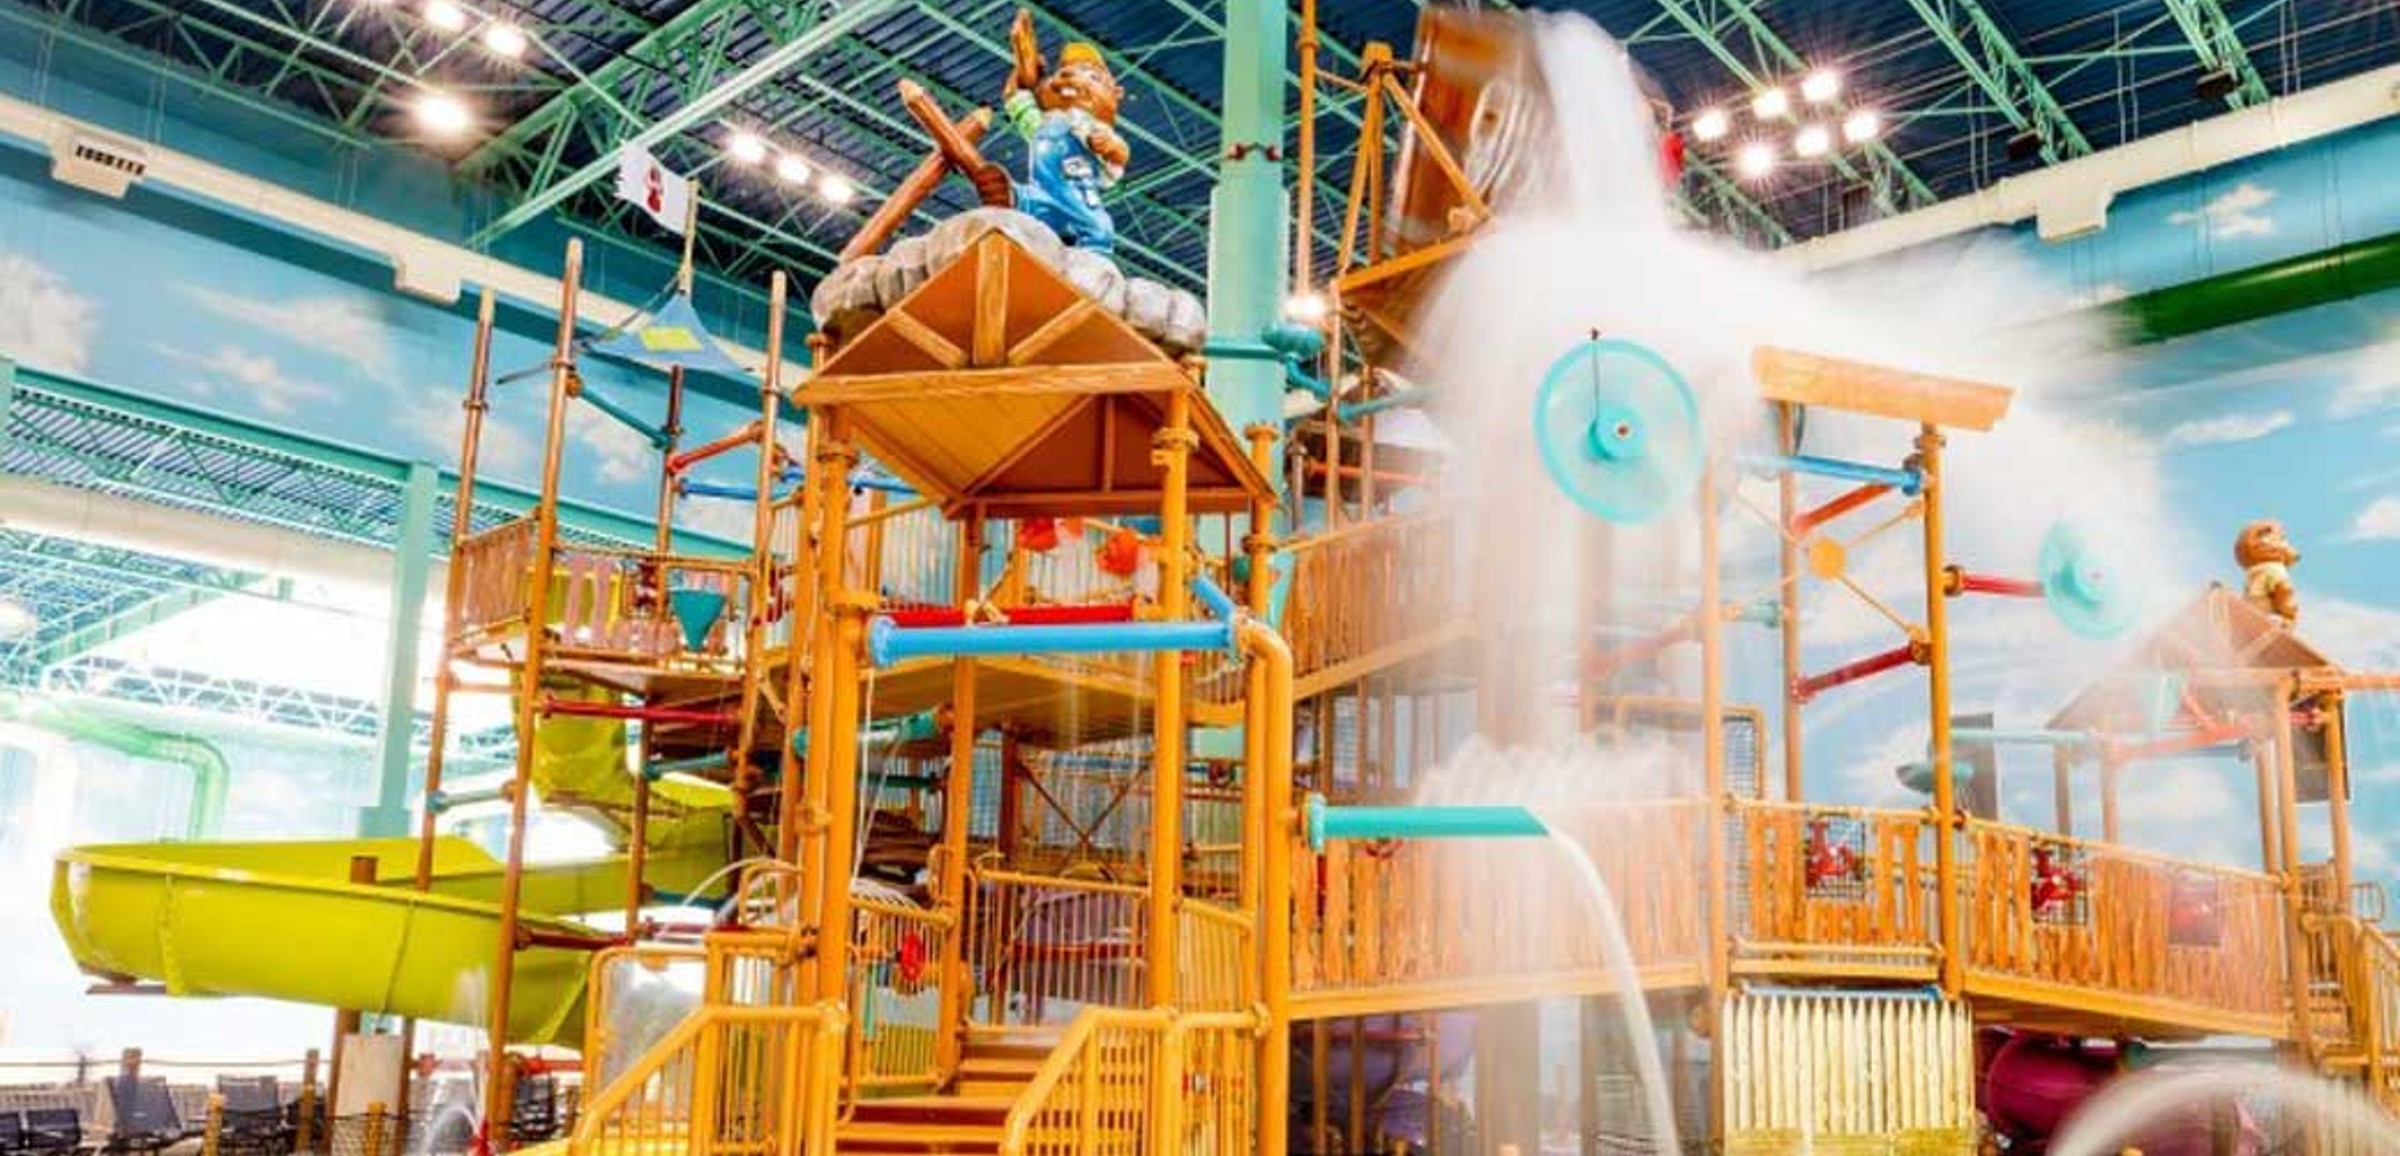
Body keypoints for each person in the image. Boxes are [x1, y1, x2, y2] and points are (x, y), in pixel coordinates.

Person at [1003, 9, 1129, 254]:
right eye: (1061, 73)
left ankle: (1094, 264)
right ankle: (1010, 197)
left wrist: (1111, 145)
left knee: (1099, 228)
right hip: (1042, 193)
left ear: (1116, 94)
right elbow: (1014, 98)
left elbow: (1120, 154)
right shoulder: (1043, 123)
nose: (1068, 75)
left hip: (1078, 194)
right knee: (1023, 208)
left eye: (1092, 77)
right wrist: (1022, 69)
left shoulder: (1092, 126)